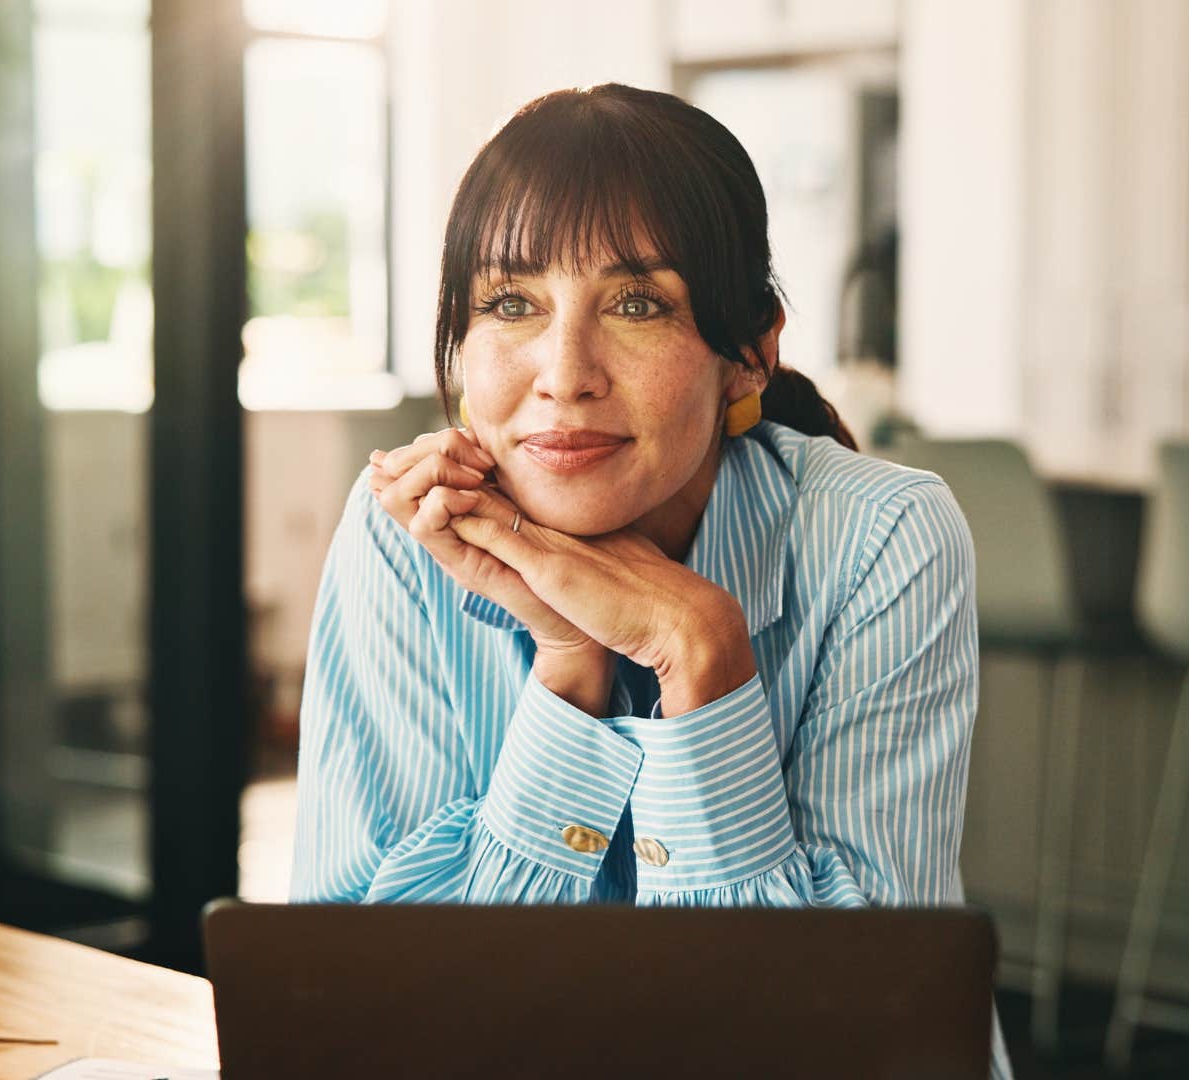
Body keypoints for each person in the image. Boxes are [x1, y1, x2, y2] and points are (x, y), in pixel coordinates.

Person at [290, 83, 1010, 1077]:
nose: (564, 371)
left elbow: (855, 1032)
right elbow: (364, 1019)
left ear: (751, 352)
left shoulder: (881, 536)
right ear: (458, 346)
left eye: (636, 305)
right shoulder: (406, 536)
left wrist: (701, 656)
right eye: (510, 304)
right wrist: (570, 661)